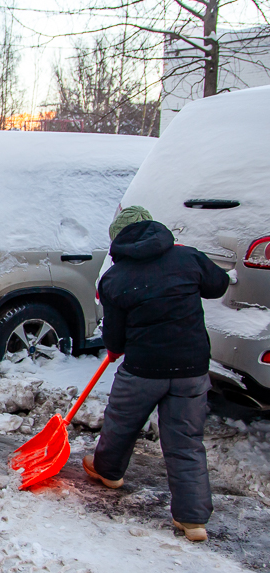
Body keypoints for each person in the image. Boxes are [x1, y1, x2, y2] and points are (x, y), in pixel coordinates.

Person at [84, 206, 230, 542]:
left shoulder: (115, 279)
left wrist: (116, 348)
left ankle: (109, 473)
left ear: (117, 240)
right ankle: (193, 521)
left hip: (143, 369)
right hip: (191, 368)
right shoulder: (187, 258)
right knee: (186, 441)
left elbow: (116, 339)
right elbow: (218, 285)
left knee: (121, 423)